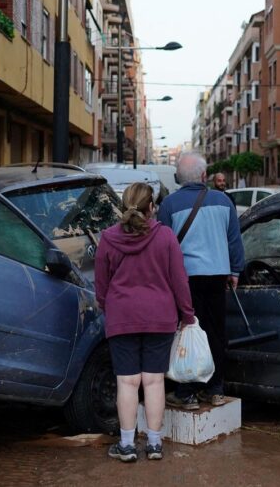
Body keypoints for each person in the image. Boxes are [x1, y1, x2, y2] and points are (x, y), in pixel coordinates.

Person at [95, 182, 196, 463]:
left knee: (126, 382)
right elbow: (179, 280)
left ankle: (126, 446)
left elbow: (101, 284)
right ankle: (154, 444)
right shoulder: (165, 237)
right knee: (153, 382)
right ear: (152, 207)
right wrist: (187, 315)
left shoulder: (107, 238)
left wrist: (109, 305)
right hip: (159, 317)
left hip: (122, 316)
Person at [158, 152, 245, 409]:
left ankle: (187, 392)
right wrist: (235, 271)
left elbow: (162, 245)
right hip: (217, 276)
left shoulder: (169, 205)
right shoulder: (223, 201)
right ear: (205, 176)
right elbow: (234, 240)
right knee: (216, 333)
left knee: (188, 331)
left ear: (178, 178)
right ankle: (215, 389)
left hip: (185, 279)